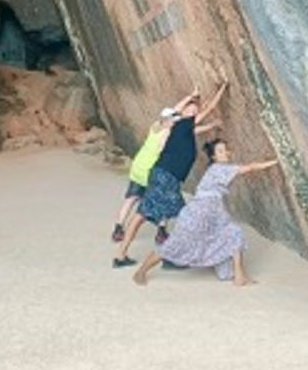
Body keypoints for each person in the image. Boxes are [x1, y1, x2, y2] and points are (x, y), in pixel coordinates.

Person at [113, 81, 228, 268]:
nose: (193, 112)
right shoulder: (180, 123)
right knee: (186, 217)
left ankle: (120, 255)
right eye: (190, 110)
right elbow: (209, 108)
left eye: (194, 110)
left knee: (141, 215)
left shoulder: (182, 128)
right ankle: (170, 258)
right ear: (182, 113)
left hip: (160, 174)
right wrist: (222, 87)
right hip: (167, 177)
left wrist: (204, 114)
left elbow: (199, 118)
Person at [132, 138, 278, 286]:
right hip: (198, 213)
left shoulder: (219, 169)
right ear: (214, 157)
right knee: (173, 246)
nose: (225, 153)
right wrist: (274, 161)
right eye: (220, 151)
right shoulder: (219, 168)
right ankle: (141, 271)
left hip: (210, 213)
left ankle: (239, 277)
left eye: (225, 149)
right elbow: (250, 168)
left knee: (234, 233)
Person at [111, 92, 200, 243]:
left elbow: (181, 117)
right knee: (161, 198)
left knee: (131, 198)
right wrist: (191, 101)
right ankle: (161, 230)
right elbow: (191, 127)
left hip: (138, 167)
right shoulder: (170, 132)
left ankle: (119, 228)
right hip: (151, 170)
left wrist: (189, 98)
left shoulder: (155, 127)